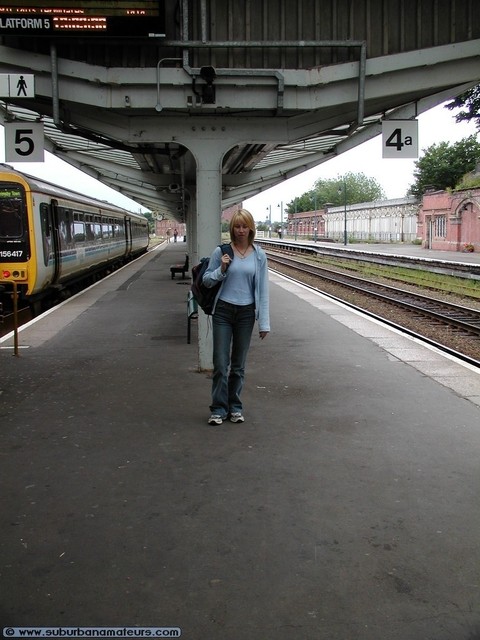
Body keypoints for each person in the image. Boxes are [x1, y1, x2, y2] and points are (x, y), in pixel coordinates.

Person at [202, 209, 270, 426]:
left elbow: (262, 291)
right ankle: (218, 408)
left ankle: (235, 407)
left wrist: (264, 322)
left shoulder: (259, 255)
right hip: (223, 310)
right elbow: (206, 281)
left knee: (238, 365)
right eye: (237, 226)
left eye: (244, 226)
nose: (241, 230)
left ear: (251, 228)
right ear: (232, 229)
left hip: (246, 313)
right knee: (221, 363)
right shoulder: (221, 252)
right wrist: (221, 269)